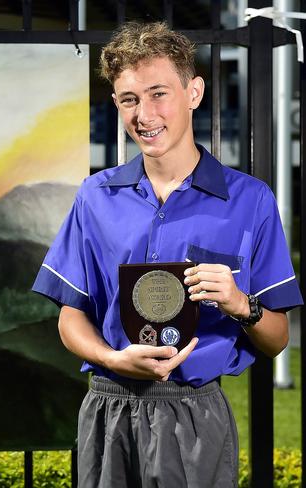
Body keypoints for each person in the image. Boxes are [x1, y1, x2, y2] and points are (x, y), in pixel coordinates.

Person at [32, 21, 303, 487]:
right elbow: (70, 318)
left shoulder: (250, 201)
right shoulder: (95, 197)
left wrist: (242, 304)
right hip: (107, 406)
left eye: (159, 93)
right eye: (129, 99)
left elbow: (277, 338)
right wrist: (112, 359)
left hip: (195, 417)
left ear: (193, 92)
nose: (144, 114)